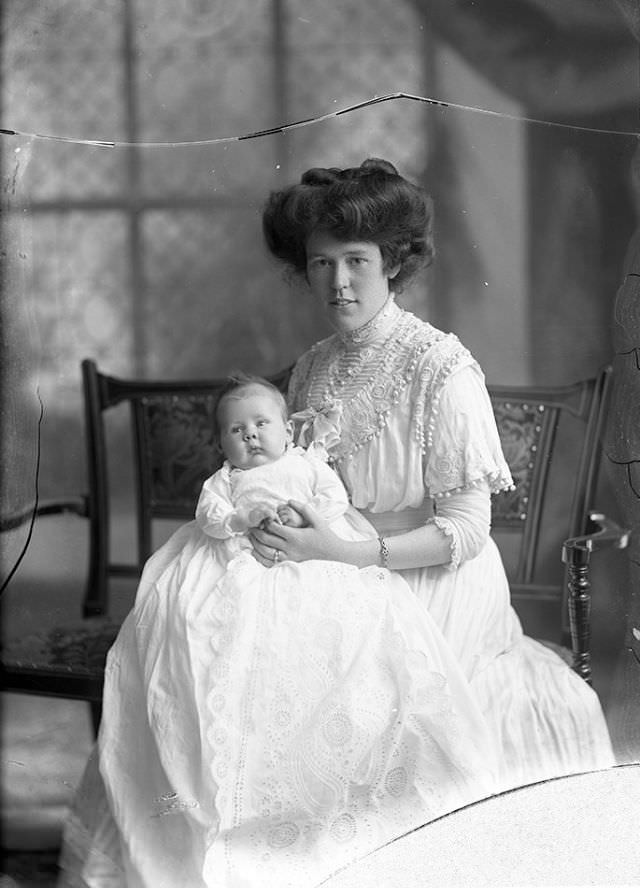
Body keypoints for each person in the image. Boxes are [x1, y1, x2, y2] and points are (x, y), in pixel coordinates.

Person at [58, 158, 615, 888]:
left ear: (395, 262)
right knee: (214, 651)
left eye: (357, 261)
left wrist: (352, 552)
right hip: (329, 560)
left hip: (425, 571)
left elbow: (469, 530)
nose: (339, 283)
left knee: (351, 686)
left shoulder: (444, 370)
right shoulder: (315, 366)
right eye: (321, 263)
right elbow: (290, 479)